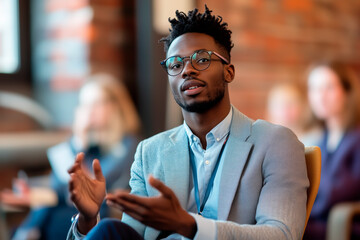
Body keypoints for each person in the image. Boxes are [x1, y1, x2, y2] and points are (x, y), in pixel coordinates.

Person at [67, 6, 308, 240]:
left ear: (229, 72)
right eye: (175, 64)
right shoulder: (149, 152)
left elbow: (282, 234)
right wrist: (88, 220)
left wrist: (188, 225)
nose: (187, 70)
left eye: (201, 60)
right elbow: (130, 235)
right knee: (108, 230)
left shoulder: (275, 143)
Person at [1, 73, 141, 240]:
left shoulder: (129, 144)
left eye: (96, 103)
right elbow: (59, 183)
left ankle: (26, 232)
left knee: (51, 214)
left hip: (105, 212)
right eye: (85, 104)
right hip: (76, 211)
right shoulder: (88, 144)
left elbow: (94, 185)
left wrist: (77, 142)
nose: (90, 111)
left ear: (116, 106)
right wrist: (78, 140)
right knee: (47, 210)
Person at [303, 61, 360, 240]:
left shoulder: (357, 138)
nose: (320, 96)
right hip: (319, 222)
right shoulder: (322, 140)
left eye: (328, 87)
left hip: (345, 225)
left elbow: (344, 191)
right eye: (314, 88)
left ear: (347, 92)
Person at [266, 82, 322, 146]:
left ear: (302, 107)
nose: (285, 110)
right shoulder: (265, 142)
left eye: (291, 104)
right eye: (279, 105)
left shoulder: (317, 138)